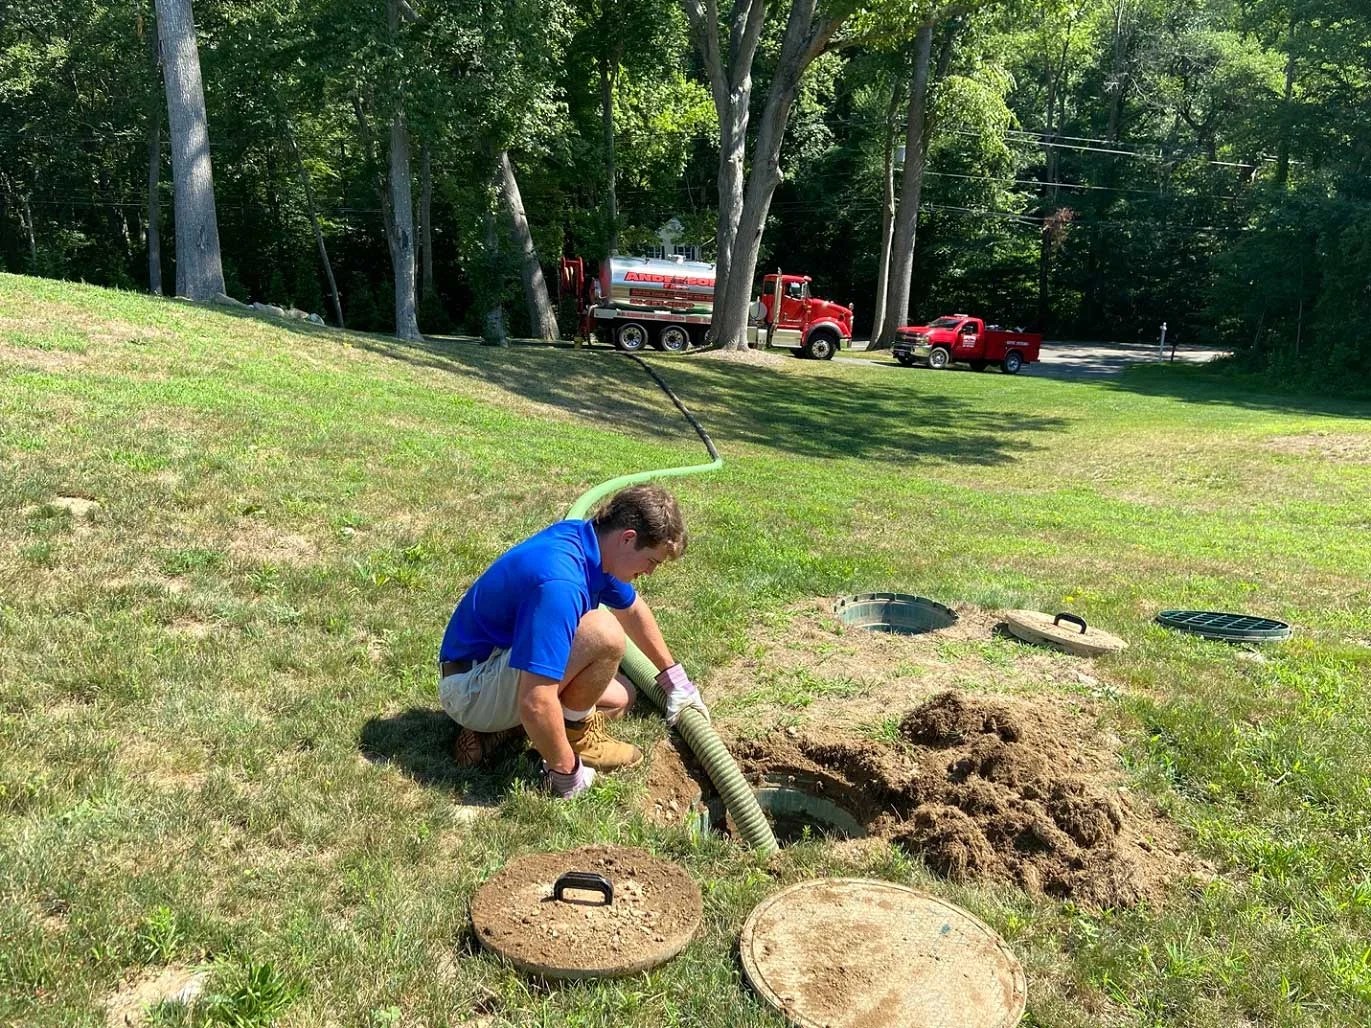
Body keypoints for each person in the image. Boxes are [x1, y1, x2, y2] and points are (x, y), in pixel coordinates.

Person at [437, 484, 709, 798]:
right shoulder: (561, 583)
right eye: (651, 561)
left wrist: (674, 680)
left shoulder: (591, 544)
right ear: (628, 538)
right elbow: (536, 701)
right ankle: (562, 738)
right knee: (603, 633)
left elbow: (633, 610)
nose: (649, 572)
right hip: (470, 688)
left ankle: (508, 731)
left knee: (621, 697)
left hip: (492, 666)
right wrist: (568, 774)